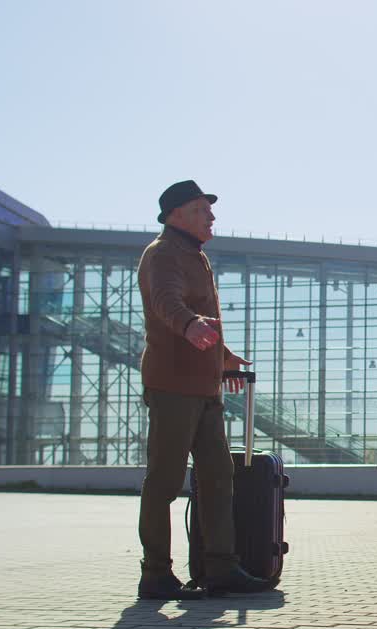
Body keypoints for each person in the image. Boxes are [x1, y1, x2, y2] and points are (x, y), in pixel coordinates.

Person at [136, 180, 272, 600]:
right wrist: (189, 325)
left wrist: (223, 357)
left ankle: (221, 568)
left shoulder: (195, 255)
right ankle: (155, 574)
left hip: (204, 387)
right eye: (201, 209)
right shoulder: (163, 254)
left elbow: (203, 316)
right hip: (172, 386)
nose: (211, 216)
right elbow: (166, 301)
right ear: (176, 215)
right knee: (165, 480)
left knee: (218, 476)